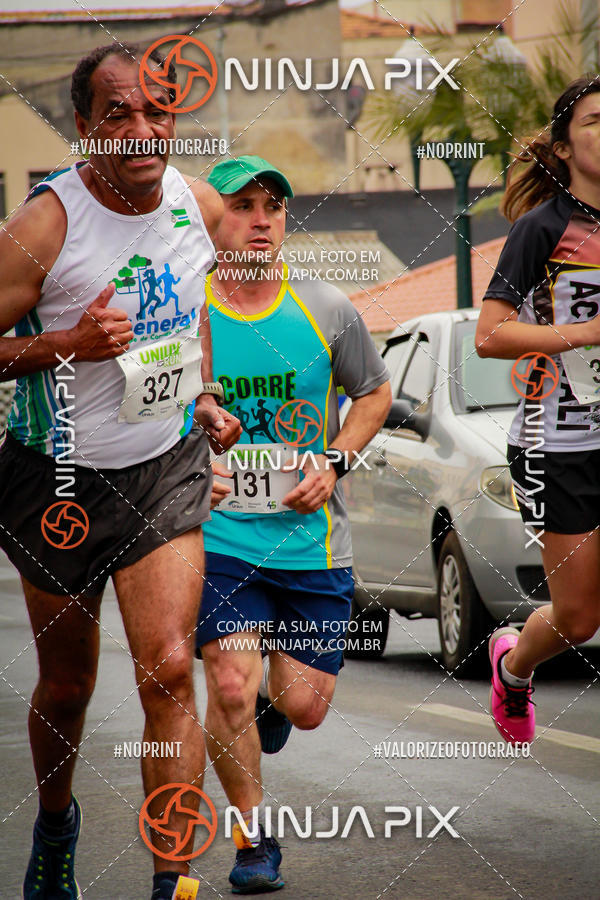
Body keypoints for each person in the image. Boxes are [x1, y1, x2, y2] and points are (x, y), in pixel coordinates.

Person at [0, 43, 240, 900]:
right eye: (117, 115)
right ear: (82, 127)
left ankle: (171, 880)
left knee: (172, 666)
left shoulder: (196, 203)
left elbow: (192, 310)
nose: (141, 131)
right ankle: (56, 825)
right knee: (67, 686)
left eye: (156, 112)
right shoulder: (44, 227)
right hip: (54, 477)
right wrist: (67, 344)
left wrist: (205, 394)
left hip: (162, 466)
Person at [195, 156, 392, 894]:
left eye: (272, 206)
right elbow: (149, 406)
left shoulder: (326, 307)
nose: (260, 219)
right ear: (217, 221)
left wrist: (335, 461)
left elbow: (373, 393)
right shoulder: (192, 312)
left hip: (312, 543)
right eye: (243, 206)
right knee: (231, 685)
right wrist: (193, 459)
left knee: (303, 709)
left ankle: (277, 705)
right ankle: (252, 841)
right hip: (220, 540)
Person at [476, 76, 600, 747]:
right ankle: (514, 666)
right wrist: (576, 334)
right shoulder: (542, 230)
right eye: (595, 120)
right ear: (562, 145)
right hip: (562, 443)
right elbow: (490, 335)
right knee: (579, 620)